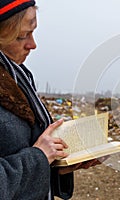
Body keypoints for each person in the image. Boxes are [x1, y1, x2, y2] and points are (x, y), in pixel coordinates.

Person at [0, 1, 105, 199]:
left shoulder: (19, 78)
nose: (33, 44)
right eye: (22, 36)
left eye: (32, 32)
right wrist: (38, 158)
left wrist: (58, 165)